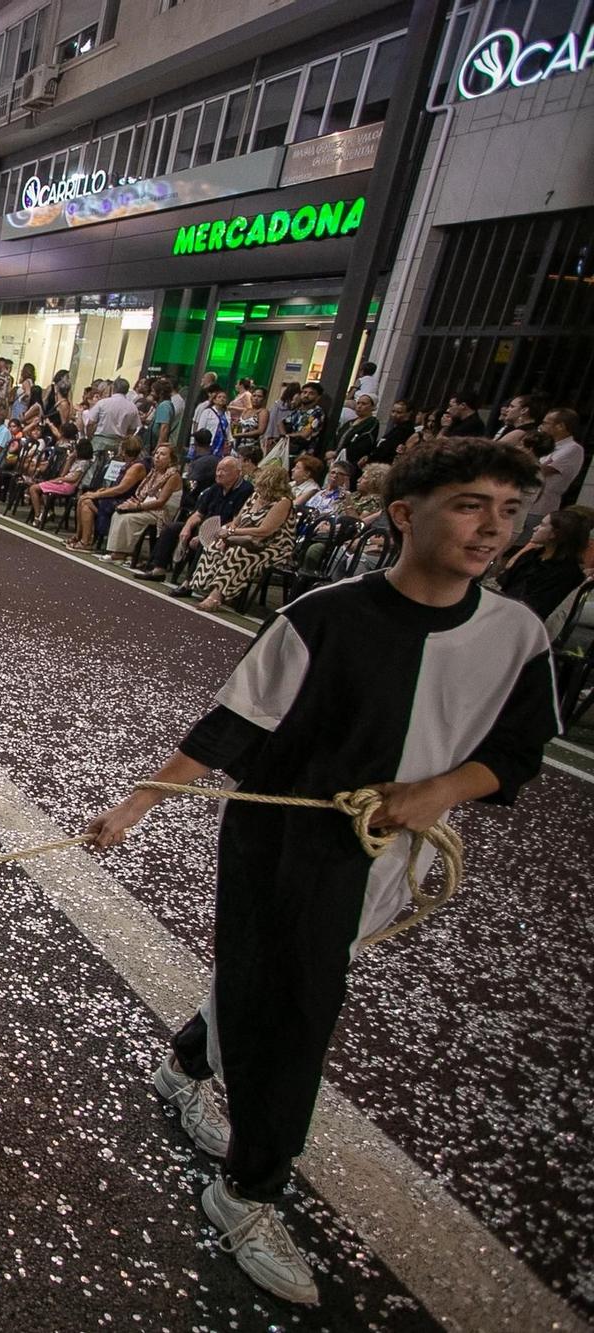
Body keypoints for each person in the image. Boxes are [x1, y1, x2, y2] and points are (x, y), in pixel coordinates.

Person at [87, 436, 557, 1307]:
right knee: (299, 1007)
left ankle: (190, 1064)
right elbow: (230, 727)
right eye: (469, 504)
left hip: (390, 846)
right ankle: (248, 1188)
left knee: (277, 981)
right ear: (405, 514)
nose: (493, 527)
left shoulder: (517, 635)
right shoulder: (322, 615)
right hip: (284, 840)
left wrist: (436, 792)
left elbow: (518, 752)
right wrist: (135, 805)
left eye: (509, 509)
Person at [180, 462, 295, 612]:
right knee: (215, 545)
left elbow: (265, 531)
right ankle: (204, 587)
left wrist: (232, 533)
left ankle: (216, 596)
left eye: (263, 485)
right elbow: (237, 521)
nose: (259, 488)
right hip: (246, 538)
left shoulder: (283, 502)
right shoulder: (255, 496)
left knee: (238, 553)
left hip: (271, 546)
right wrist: (226, 535)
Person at [138, 450, 252, 582]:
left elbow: (236, 521)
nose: (219, 474)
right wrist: (187, 527)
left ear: (237, 472)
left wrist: (204, 534)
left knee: (203, 542)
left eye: (224, 471)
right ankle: (158, 569)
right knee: (172, 528)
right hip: (203, 526)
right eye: (218, 470)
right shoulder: (215, 488)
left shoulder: (245, 490)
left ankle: (189, 582)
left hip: (223, 532)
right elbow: (198, 513)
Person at [496, 505, 592, 624]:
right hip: (505, 607)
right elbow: (504, 584)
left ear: (554, 534)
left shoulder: (567, 572)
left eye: (542, 525)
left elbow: (535, 607)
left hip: (523, 621)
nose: (535, 528)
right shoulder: (531, 555)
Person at [103, 442, 183, 562]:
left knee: (129, 518)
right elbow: (143, 493)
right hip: (147, 506)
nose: (157, 456)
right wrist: (132, 503)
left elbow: (161, 502)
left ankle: (122, 553)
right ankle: (118, 551)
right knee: (119, 513)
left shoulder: (173, 476)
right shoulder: (154, 472)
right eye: (156, 453)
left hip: (162, 512)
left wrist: (136, 507)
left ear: (171, 459)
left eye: (162, 454)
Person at [68, 437, 146, 551]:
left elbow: (121, 489)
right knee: (83, 498)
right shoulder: (127, 464)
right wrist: (103, 491)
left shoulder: (136, 467)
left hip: (124, 500)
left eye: (120, 447)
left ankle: (86, 541)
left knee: (87, 501)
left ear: (124, 450)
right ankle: (79, 536)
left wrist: (97, 495)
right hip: (117, 496)